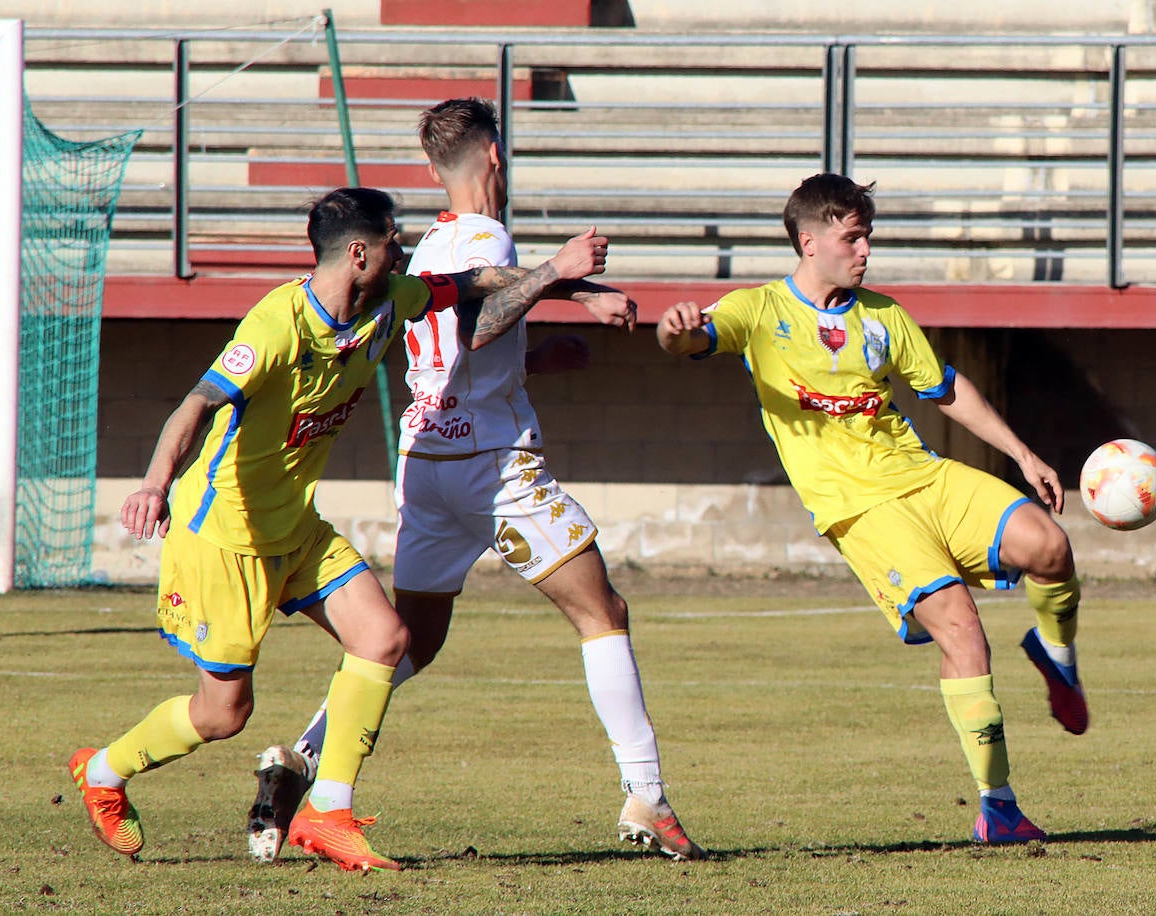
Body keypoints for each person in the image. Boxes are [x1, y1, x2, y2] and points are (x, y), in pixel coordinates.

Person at [68, 186, 609, 872]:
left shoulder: (389, 299)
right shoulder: (277, 325)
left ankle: (327, 812)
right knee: (222, 715)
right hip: (226, 540)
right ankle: (106, 772)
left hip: (297, 529)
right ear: (360, 252)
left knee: (385, 638)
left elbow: (470, 284)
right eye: (394, 240)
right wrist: (153, 483)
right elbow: (195, 405)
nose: (404, 251)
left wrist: (572, 282)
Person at [245, 99, 705, 864]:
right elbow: (477, 322)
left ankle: (296, 760)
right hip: (495, 470)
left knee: (411, 643)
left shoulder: (420, 245)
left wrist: (541, 343)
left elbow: (466, 330)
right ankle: (647, 796)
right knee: (603, 612)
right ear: (496, 157)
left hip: (426, 464)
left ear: (434, 170)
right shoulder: (489, 234)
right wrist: (565, 273)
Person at [655, 173, 1087, 844]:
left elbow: (943, 390)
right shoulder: (759, 310)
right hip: (860, 511)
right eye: (851, 238)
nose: (864, 251)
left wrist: (1023, 454)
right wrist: (674, 329)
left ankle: (1056, 655)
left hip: (925, 478)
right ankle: (999, 808)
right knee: (961, 628)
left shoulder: (882, 315)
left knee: (1051, 546)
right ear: (809, 241)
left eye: (867, 237)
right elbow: (692, 339)